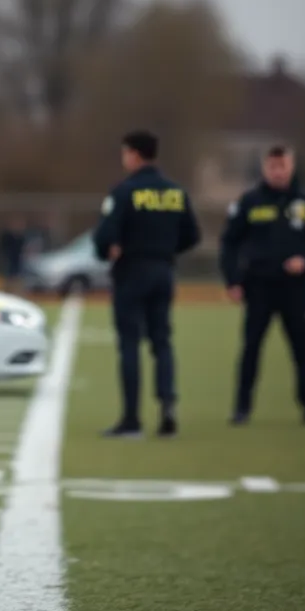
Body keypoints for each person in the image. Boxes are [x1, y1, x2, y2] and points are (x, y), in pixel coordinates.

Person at [93, 130, 201, 438]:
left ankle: (131, 419)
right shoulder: (175, 192)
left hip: (131, 272)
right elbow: (192, 235)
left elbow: (103, 236)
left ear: (134, 154)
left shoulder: (124, 192)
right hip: (164, 271)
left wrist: (111, 249)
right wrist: (165, 249)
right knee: (162, 341)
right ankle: (167, 405)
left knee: (129, 344)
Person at [220, 145, 305, 426]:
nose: (278, 172)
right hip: (258, 287)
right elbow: (229, 242)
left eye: (282, 166)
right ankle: (242, 408)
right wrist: (233, 280)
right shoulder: (249, 201)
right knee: (251, 349)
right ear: (264, 168)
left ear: (291, 167)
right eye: (273, 167)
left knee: (302, 350)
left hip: (294, 289)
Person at [0, 215, 27, 292]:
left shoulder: (21, 237)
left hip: (19, 262)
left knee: (18, 278)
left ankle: (17, 291)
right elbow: (3, 249)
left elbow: (23, 249)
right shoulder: (7, 237)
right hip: (9, 262)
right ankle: (8, 291)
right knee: (10, 278)